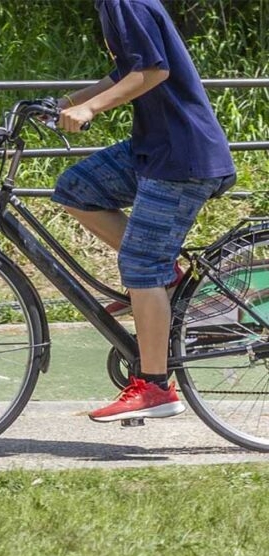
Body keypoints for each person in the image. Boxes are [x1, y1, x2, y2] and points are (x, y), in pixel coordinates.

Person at [51, 0, 235, 423]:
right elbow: (127, 70)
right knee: (76, 188)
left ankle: (155, 385)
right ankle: (165, 279)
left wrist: (90, 108)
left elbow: (152, 72)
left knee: (139, 262)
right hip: (154, 150)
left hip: (181, 157)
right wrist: (67, 101)